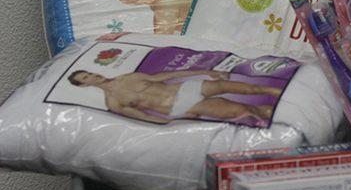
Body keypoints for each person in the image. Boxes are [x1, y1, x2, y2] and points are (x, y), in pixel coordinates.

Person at [68, 68, 281, 125]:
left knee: (231, 86)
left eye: (90, 72)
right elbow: (145, 118)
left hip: (182, 89)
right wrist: (175, 123)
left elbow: (168, 75)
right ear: (85, 85)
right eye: (87, 78)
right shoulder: (113, 103)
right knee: (243, 110)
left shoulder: (128, 77)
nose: (94, 76)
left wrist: (205, 71)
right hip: (178, 107)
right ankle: (271, 115)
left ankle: (276, 91)